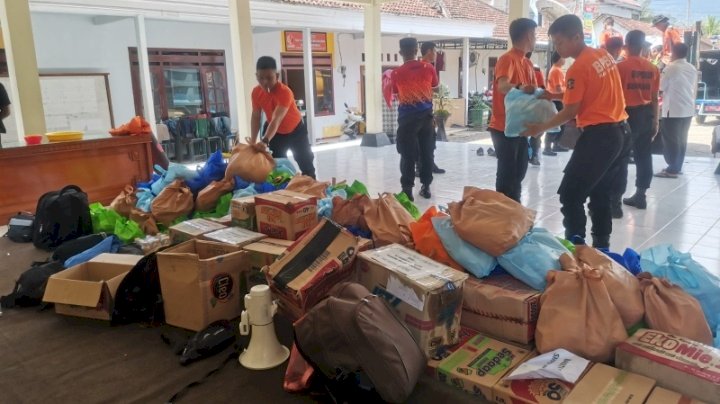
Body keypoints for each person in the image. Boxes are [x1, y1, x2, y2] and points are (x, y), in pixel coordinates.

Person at [523, 14, 629, 249]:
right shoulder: (602, 55)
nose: (557, 47)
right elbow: (589, 93)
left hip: (599, 137)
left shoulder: (577, 68)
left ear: (578, 36)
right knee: (599, 192)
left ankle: (575, 246)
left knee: (570, 195)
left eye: (560, 42)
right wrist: (555, 95)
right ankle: (602, 247)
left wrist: (539, 128)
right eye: (555, 43)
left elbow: (571, 111)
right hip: (620, 132)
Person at [488, 18, 538, 202]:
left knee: (519, 174)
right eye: (534, 34)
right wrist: (520, 87)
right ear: (527, 35)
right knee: (507, 177)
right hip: (503, 128)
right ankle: (505, 214)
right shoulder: (507, 59)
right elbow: (503, 86)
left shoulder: (528, 64)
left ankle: (513, 211)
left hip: (521, 128)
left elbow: (533, 95)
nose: (535, 38)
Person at [250, 56, 316, 178]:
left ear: (277, 76)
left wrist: (264, 141)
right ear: (256, 76)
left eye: (269, 78)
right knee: (278, 168)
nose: (265, 82)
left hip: (296, 131)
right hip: (275, 135)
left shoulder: (285, 92)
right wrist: (253, 142)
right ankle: (283, 194)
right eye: (261, 78)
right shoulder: (256, 93)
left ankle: (314, 192)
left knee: (306, 163)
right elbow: (255, 116)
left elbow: (277, 119)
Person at [616, 30, 660, 211]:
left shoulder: (620, 68)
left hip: (625, 115)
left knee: (620, 157)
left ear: (626, 46)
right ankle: (641, 195)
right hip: (646, 114)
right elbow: (655, 98)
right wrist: (656, 121)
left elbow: (615, 96)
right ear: (642, 47)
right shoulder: (653, 69)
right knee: (644, 156)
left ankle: (615, 200)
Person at [391, 37, 438, 200]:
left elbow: (396, 93)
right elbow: (435, 87)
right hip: (426, 118)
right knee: (427, 153)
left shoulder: (396, 73)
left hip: (407, 120)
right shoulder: (428, 68)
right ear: (416, 50)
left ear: (400, 52)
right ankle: (426, 187)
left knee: (407, 154)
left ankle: (407, 190)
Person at [655, 43, 697, 179]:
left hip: (673, 110)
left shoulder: (671, 68)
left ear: (675, 53)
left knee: (670, 140)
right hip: (688, 108)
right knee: (681, 139)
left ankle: (672, 169)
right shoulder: (691, 68)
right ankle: (676, 167)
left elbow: (660, 87)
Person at [418, 41, 446, 175]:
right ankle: (420, 167)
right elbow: (435, 87)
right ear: (429, 51)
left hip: (426, 107)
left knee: (430, 138)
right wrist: (434, 89)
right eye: (434, 51)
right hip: (421, 108)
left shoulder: (425, 67)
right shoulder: (426, 67)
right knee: (423, 139)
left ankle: (430, 164)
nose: (435, 54)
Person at [544, 51, 569, 156]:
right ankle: (548, 147)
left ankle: (555, 144)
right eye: (563, 57)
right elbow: (558, 88)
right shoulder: (556, 71)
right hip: (556, 100)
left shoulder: (555, 70)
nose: (564, 59)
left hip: (556, 100)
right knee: (556, 124)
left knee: (560, 124)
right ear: (559, 59)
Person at [528, 52, 545, 166]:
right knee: (537, 132)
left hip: (521, 107)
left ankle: (532, 154)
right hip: (535, 106)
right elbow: (542, 89)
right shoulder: (537, 71)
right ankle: (533, 155)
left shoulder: (533, 71)